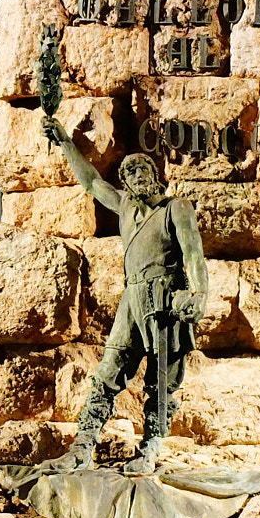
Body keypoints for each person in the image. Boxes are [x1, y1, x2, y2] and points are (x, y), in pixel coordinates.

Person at [43, 119, 208, 475]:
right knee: (108, 371)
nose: (137, 175)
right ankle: (82, 446)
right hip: (133, 298)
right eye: (130, 173)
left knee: (162, 379)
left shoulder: (175, 208)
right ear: (126, 184)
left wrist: (199, 294)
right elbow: (90, 181)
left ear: (153, 174)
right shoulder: (127, 210)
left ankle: (150, 448)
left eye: (142, 169)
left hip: (166, 298)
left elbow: (193, 253)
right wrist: (65, 143)